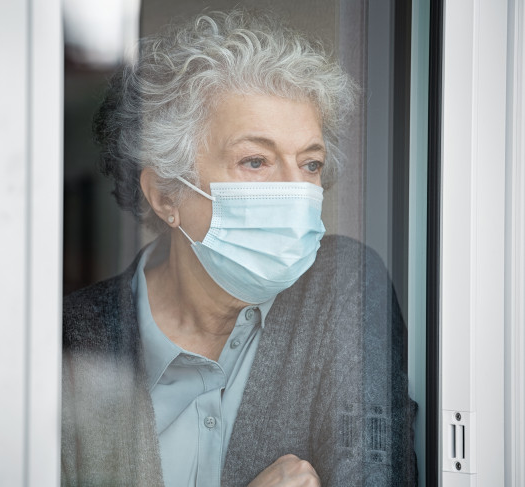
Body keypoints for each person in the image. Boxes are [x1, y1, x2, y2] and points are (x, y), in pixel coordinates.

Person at [62, 9, 417, 486]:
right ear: (167, 195)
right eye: (256, 161)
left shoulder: (344, 287)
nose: (297, 191)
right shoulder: (73, 340)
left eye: (310, 164)